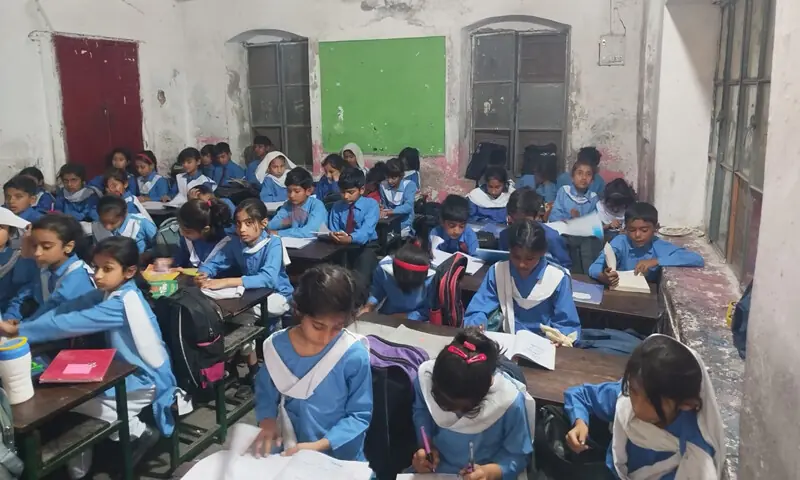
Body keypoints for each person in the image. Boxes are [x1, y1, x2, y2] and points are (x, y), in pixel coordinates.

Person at [0, 237, 178, 480]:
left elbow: (68, 324)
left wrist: (19, 331)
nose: (98, 275)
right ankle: (79, 471)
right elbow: (67, 309)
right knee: (68, 403)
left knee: (65, 405)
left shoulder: (120, 303)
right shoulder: (109, 292)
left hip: (146, 379)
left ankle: (136, 432)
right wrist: (26, 325)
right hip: (126, 370)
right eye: (95, 267)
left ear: (129, 272)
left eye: (107, 269)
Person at [250, 264, 372, 461]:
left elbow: (359, 415)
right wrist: (267, 421)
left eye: (337, 327)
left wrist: (319, 446)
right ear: (299, 311)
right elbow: (266, 394)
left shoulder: (353, 355)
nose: (326, 337)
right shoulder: (276, 348)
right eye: (318, 326)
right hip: (288, 447)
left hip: (337, 455)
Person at [564, 335, 724, 479]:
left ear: (687, 404)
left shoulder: (696, 453)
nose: (637, 406)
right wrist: (580, 422)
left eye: (651, 400)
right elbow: (581, 394)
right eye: (633, 391)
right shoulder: (626, 397)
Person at [411, 329, 534, 479]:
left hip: (484, 472)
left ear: (484, 394)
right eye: (443, 404)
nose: (453, 413)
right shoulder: (425, 380)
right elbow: (421, 412)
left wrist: (489, 472)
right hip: (435, 469)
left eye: (462, 409)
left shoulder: (508, 403)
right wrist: (426, 447)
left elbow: (519, 456)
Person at [197, 198, 294, 385]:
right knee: (241, 317)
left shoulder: (273, 244)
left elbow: (268, 278)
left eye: (249, 224)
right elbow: (216, 262)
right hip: (251, 296)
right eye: (239, 224)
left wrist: (226, 282)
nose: (242, 229)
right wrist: (203, 274)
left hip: (278, 296)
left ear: (264, 223)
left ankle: (245, 365)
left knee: (242, 316)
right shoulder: (236, 243)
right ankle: (252, 368)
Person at [464, 220, 580, 340]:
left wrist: (561, 338)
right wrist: (476, 325)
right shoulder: (498, 271)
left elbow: (567, 324)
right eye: (516, 257)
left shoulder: (557, 278)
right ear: (509, 250)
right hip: (507, 339)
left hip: (544, 343)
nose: (521, 264)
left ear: (542, 253)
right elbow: (479, 308)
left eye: (529, 259)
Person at [589, 202, 704, 285]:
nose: (637, 235)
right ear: (625, 228)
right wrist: (603, 277)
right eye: (632, 230)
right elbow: (594, 267)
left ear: (656, 228)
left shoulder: (657, 245)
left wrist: (655, 261)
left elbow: (696, 259)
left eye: (644, 230)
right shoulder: (620, 243)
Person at [18, 214, 95, 321]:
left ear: (68, 247)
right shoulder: (46, 268)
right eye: (34, 246)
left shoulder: (77, 277)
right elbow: (23, 295)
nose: (37, 253)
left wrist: (18, 329)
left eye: (46, 247)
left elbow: (51, 313)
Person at [363, 217, 433, 321]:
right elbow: (377, 292)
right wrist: (368, 307)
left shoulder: (432, 278)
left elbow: (429, 309)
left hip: (418, 321)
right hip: (388, 316)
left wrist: (406, 316)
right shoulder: (384, 269)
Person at [327, 167, 380, 285]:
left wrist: (350, 238)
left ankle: (359, 300)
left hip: (365, 246)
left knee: (360, 276)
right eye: (342, 192)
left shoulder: (371, 205)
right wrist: (334, 235)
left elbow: (366, 232)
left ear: (361, 190)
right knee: (332, 274)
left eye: (350, 192)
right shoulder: (337, 206)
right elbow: (333, 228)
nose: (345, 196)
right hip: (341, 245)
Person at [500, 187, 571, 269]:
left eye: (526, 221)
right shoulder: (505, 236)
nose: (521, 226)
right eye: (516, 221)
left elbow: (565, 266)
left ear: (536, 216)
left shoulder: (551, 238)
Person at [0, 207, 38, 321]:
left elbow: (22, 296)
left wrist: (8, 320)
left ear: (11, 233)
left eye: (0, 227)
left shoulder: (21, 259)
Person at [172, 198, 233, 268]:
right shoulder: (187, 240)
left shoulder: (226, 245)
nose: (182, 234)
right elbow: (181, 259)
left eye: (187, 232)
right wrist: (169, 262)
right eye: (181, 228)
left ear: (205, 229)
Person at [267, 168, 326, 238]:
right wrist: (285, 222)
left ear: (308, 191)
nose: (291, 195)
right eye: (289, 191)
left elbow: (310, 232)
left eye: (297, 191)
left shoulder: (317, 206)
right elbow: (271, 225)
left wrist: (278, 233)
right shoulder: (288, 205)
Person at [92, 196, 157, 254]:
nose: (107, 227)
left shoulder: (140, 223)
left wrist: (147, 254)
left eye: (113, 223)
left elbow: (160, 246)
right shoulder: (97, 227)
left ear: (124, 215)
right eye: (103, 222)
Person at [549, 154, 600, 222]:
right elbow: (554, 216)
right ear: (572, 177)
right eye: (580, 173)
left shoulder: (593, 198)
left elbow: (594, 223)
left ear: (592, 181)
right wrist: (570, 219)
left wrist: (579, 219)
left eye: (588, 174)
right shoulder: (564, 192)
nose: (584, 177)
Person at [380, 158, 417, 233]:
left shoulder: (409, 185)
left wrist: (390, 212)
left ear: (401, 176)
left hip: (405, 225)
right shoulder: (383, 185)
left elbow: (408, 207)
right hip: (388, 223)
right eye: (388, 177)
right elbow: (384, 204)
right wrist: (381, 208)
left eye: (394, 178)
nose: (390, 181)